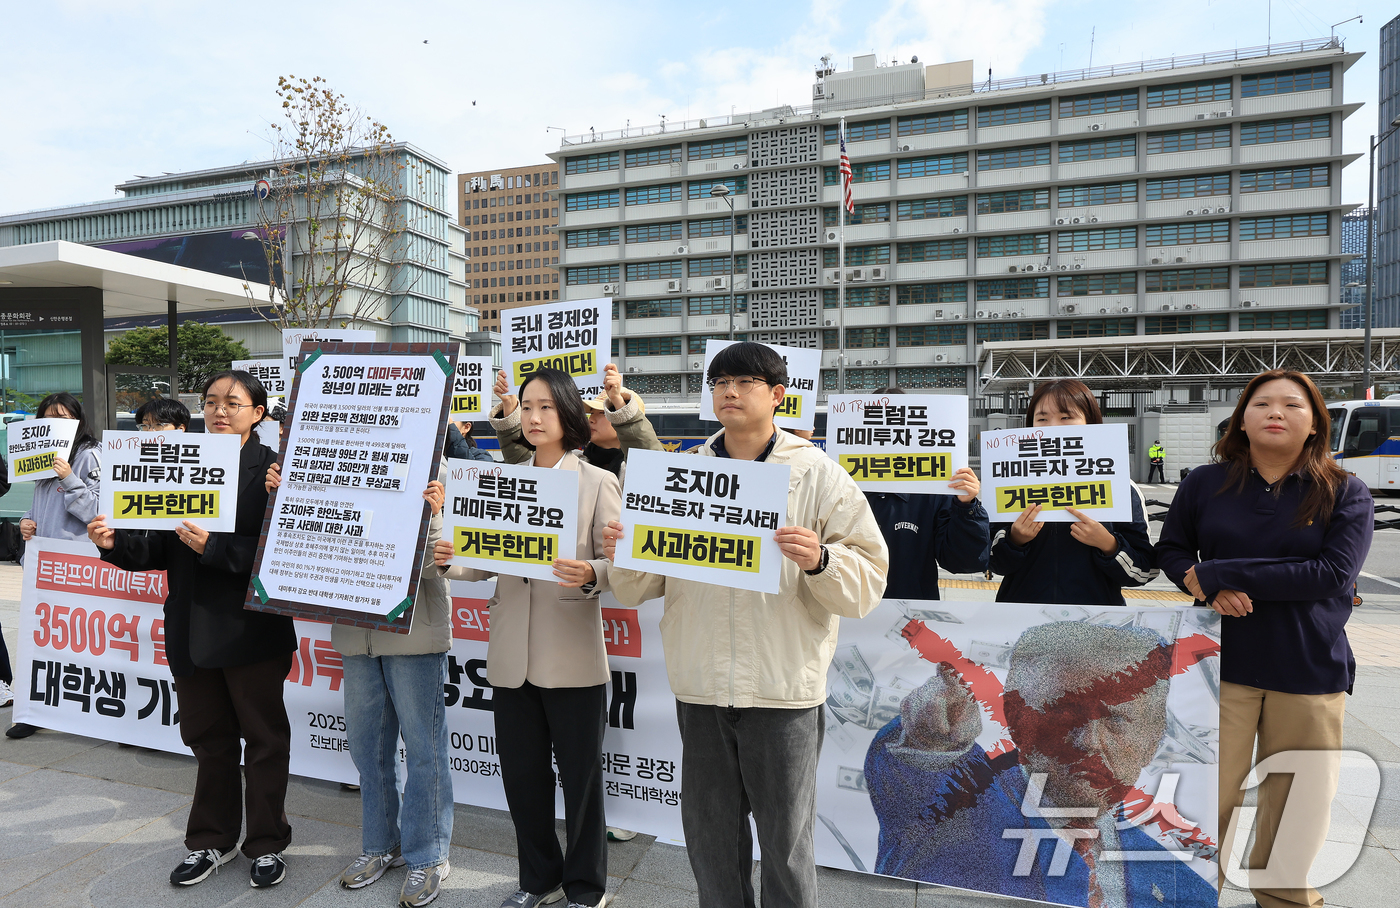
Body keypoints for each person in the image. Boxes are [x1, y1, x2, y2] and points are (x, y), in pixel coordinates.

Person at [602, 342, 889, 908]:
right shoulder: (681, 474)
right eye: (720, 381)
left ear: (778, 395)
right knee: (711, 840)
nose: (729, 391)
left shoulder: (817, 474)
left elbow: (868, 581)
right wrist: (627, 550)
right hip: (702, 686)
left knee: (786, 843)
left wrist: (822, 560)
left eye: (746, 381)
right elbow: (635, 588)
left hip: (783, 689)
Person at [1156, 369, 1373, 908]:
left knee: (1297, 802)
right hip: (1216, 666)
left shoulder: (1345, 491)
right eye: (1263, 403)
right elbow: (1173, 550)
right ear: (1242, 419)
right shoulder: (1204, 482)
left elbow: (1331, 574)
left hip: (1308, 666)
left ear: (1315, 423)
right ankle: (1186, 896)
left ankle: (1284, 898)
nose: (1276, 412)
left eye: (1292, 405)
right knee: (1205, 797)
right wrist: (1202, 583)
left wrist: (1224, 574)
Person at [88, 371, 297, 889]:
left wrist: (218, 549)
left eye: (233, 402)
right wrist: (113, 542)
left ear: (259, 413)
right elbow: (156, 548)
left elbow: (290, 554)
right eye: (210, 402)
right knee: (209, 740)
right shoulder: (183, 462)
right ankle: (211, 841)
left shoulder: (277, 469)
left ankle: (268, 844)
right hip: (188, 629)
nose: (219, 411)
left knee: (265, 741)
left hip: (252, 631)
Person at [435, 367, 621, 908]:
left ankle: (586, 887)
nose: (534, 417)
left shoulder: (596, 482)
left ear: (567, 415)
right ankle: (538, 879)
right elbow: (483, 560)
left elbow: (619, 564)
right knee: (523, 779)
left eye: (545, 407)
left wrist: (592, 574)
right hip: (510, 655)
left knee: (581, 782)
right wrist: (451, 560)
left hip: (572, 655)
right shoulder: (502, 478)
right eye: (527, 407)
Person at [864, 622, 1217, 907]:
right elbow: (918, 777)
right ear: (1016, 718)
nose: (1088, 742)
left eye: (1116, 720)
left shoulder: (1186, 891)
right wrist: (930, 741)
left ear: (1154, 737)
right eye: (1064, 714)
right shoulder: (956, 809)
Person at [265, 463, 455, 907]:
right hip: (356, 631)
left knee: (424, 750)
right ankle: (380, 844)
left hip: (414, 633)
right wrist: (286, 495)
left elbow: (441, 566)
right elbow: (309, 545)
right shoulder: (336, 456)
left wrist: (434, 515)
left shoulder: (431, 461)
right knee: (368, 749)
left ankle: (428, 855)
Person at [989, 379, 1157, 605]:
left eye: (1066, 417)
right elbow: (991, 562)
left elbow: (1145, 571)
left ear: (1090, 422)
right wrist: (1015, 540)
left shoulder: (1121, 487)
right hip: (1021, 619)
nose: (1052, 427)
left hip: (1096, 624)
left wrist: (1108, 545)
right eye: (1042, 419)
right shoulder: (1010, 482)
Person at [9, 392, 101, 739]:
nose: (56, 425)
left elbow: (98, 511)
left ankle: (94, 710)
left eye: (64, 418)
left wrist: (68, 477)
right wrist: (27, 522)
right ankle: (35, 710)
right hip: (44, 565)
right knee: (42, 641)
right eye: (49, 418)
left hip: (78, 565)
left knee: (83, 641)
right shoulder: (41, 457)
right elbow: (38, 505)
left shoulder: (90, 455)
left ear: (77, 421)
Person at [863, 387, 989, 599]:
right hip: (847, 616)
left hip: (911, 615)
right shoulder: (843, 486)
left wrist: (966, 508)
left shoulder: (932, 491)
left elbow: (962, 561)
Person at [491, 362, 661, 480]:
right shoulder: (575, 461)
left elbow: (651, 462)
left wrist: (616, 399)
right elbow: (522, 460)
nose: (592, 419)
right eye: (590, 413)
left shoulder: (633, 471)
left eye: (602, 413)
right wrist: (510, 405)